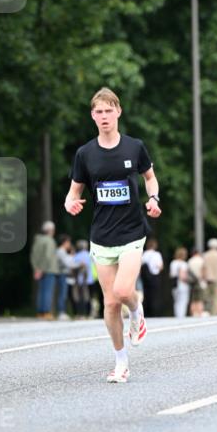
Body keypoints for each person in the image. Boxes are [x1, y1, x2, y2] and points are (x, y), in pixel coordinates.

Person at [64, 87, 161, 383]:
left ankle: (137, 310)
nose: (104, 116)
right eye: (99, 112)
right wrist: (70, 203)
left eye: (109, 110)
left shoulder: (134, 147)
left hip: (132, 231)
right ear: (93, 116)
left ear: (118, 112)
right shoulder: (85, 154)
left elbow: (150, 177)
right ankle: (121, 362)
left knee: (121, 291)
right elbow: (74, 191)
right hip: (101, 235)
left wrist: (154, 199)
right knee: (109, 303)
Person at [30, 221, 60, 318]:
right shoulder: (49, 241)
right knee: (48, 291)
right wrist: (42, 269)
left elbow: (33, 256)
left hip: (39, 269)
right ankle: (46, 312)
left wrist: (37, 269)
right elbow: (48, 256)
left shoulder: (38, 240)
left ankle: (40, 312)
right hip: (49, 269)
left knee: (41, 291)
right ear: (50, 230)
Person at [57, 234, 81, 320]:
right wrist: (79, 264)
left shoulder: (63, 252)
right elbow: (68, 263)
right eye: (69, 242)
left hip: (64, 275)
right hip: (62, 274)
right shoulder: (61, 251)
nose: (69, 244)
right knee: (62, 294)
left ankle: (63, 312)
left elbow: (69, 261)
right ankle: (61, 312)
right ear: (65, 242)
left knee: (64, 294)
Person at [73, 239, 96, 318]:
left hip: (80, 280)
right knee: (89, 297)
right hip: (90, 279)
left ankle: (80, 314)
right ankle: (89, 313)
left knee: (80, 297)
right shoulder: (90, 255)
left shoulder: (76, 256)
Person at [141, 237, 164, 316]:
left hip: (145, 278)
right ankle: (154, 312)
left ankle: (146, 312)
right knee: (155, 295)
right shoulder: (157, 254)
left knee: (146, 294)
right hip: (155, 277)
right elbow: (160, 266)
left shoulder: (144, 254)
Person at [169, 247, 190, 319]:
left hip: (174, 285)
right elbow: (182, 276)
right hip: (183, 285)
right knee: (183, 301)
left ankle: (177, 316)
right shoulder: (184, 264)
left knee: (176, 301)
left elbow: (171, 275)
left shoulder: (173, 263)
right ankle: (181, 317)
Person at [187, 248, 206, 317]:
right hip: (200, 282)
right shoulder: (201, 260)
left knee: (193, 299)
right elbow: (203, 271)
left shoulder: (190, 261)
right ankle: (199, 313)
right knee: (200, 299)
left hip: (192, 283)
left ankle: (193, 313)